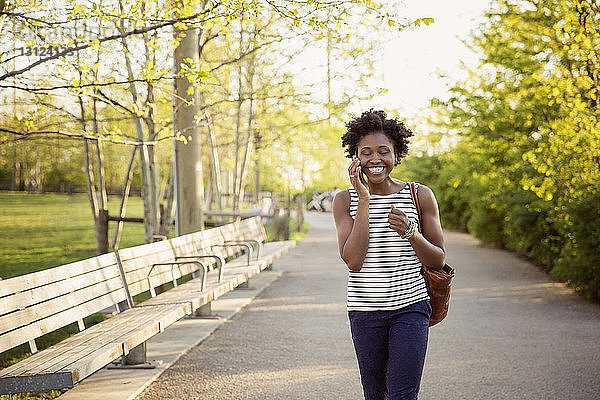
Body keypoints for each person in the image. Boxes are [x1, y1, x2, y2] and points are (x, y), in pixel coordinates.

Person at [332, 109, 446, 400]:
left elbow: (438, 260)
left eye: (383, 151)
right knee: (375, 395)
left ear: (396, 153)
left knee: (403, 395)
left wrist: (410, 232)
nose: (375, 160)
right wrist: (365, 200)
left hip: (411, 308)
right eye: (366, 153)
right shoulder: (345, 200)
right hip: (365, 312)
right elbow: (353, 261)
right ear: (355, 157)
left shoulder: (419, 195)